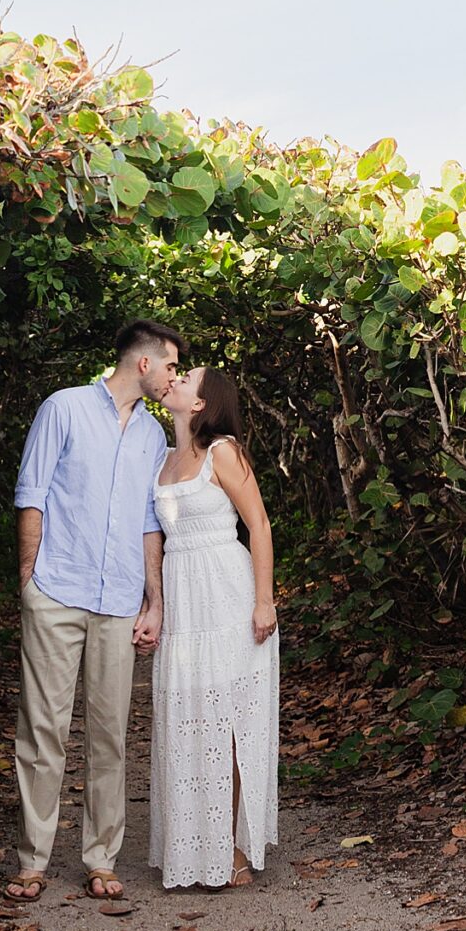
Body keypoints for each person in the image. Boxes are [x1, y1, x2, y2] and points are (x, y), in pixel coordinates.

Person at [4, 318, 181, 904]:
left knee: (110, 736)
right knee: (43, 731)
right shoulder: (65, 408)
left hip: (118, 601)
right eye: (172, 365)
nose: (173, 377)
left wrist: (153, 600)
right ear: (144, 363)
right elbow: (32, 491)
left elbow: (150, 523)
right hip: (58, 589)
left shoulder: (154, 438)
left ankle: (101, 859)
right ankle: (32, 861)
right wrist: (31, 577)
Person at [147, 365, 279, 891]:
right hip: (184, 601)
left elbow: (260, 524)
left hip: (228, 595)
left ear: (201, 403)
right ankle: (194, 848)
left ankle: (233, 849)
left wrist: (264, 600)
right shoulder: (161, 458)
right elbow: (150, 536)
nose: (174, 381)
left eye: (186, 380)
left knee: (229, 725)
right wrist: (152, 603)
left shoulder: (224, 450)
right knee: (187, 721)